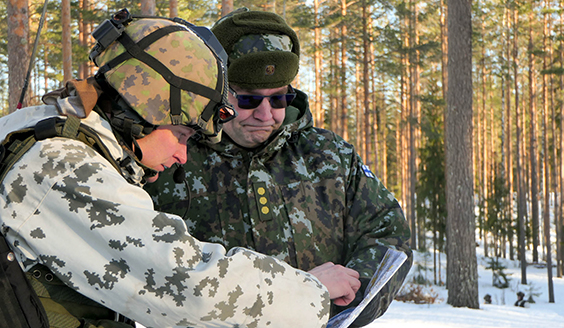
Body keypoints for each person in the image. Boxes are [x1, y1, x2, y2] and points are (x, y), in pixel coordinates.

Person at [0, 10, 361, 328]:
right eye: (182, 134)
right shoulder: (62, 168)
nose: (183, 155)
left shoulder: (47, 129)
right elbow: (191, 285)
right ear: (145, 111)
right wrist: (311, 289)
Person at [145, 7, 413, 326]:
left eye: (278, 99)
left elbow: (388, 234)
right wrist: (300, 295)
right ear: (217, 92)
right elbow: (151, 268)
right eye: (247, 100)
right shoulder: (172, 156)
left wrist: (343, 306)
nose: (266, 115)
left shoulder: (330, 154)